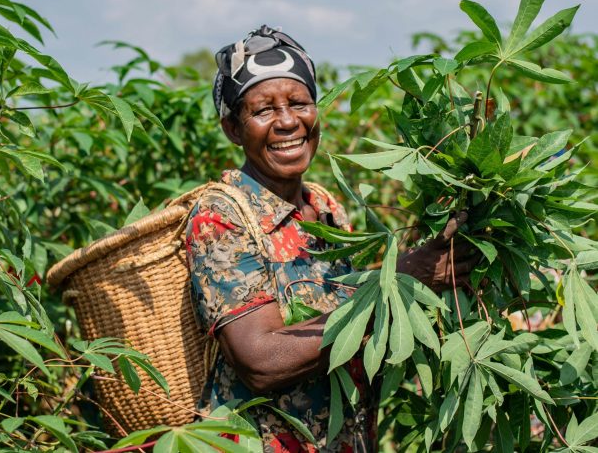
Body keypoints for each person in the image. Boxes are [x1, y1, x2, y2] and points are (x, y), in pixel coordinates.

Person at [185, 25, 477, 452]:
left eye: (299, 103)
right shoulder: (221, 215)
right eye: (263, 110)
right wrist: (394, 285)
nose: (288, 121)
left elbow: (345, 312)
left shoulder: (324, 205)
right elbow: (261, 361)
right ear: (233, 128)